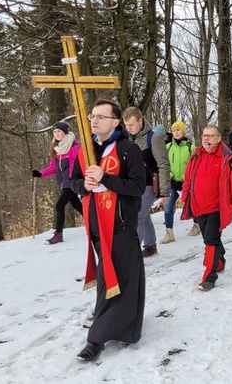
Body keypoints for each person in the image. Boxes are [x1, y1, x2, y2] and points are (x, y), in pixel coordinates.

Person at [69, 99, 146, 362]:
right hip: (95, 226)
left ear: (115, 122)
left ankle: (96, 339)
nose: (94, 120)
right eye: (93, 116)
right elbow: (73, 181)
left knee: (112, 279)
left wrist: (106, 179)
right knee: (115, 279)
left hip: (120, 225)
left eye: (101, 117)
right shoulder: (85, 150)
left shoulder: (128, 149)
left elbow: (137, 187)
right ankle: (123, 327)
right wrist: (86, 186)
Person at [181, 125, 232, 291]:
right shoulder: (196, 156)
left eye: (210, 136)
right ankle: (219, 259)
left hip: (217, 208)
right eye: (204, 136)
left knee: (210, 240)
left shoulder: (228, 158)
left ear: (218, 138)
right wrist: (185, 197)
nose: (206, 139)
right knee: (210, 239)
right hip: (198, 207)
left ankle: (209, 276)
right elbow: (188, 178)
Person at [122, 107, 170, 257]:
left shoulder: (154, 138)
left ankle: (133, 254)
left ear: (140, 121)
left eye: (131, 125)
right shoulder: (127, 138)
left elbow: (163, 164)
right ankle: (150, 245)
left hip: (149, 184)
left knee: (138, 216)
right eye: (126, 125)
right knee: (144, 215)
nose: (128, 128)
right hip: (133, 185)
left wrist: (164, 191)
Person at [32, 121, 83, 245]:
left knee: (59, 206)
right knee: (77, 205)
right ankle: (94, 223)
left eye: (59, 131)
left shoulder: (74, 147)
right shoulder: (56, 149)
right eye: (54, 132)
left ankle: (58, 234)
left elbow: (75, 166)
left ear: (65, 132)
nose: (57, 134)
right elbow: (53, 169)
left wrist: (73, 180)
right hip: (63, 183)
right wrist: (40, 173)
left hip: (72, 181)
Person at [162, 121, 198, 243]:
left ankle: (197, 225)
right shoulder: (168, 147)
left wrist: (184, 178)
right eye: (174, 130)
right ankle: (169, 232)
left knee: (192, 204)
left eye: (179, 130)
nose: (176, 132)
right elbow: (165, 164)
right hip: (172, 182)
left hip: (187, 182)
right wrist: (171, 177)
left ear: (183, 131)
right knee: (168, 207)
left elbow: (193, 164)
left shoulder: (190, 146)